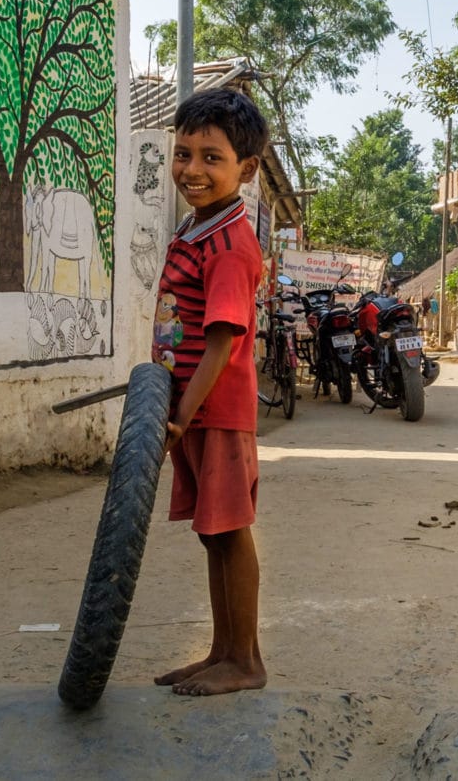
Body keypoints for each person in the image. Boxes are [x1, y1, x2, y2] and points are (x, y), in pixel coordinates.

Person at [151, 88, 269, 697]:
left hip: (214, 412)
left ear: (245, 171)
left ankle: (246, 662)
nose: (192, 170)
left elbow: (221, 344)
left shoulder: (228, 245)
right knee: (212, 533)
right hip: (191, 413)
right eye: (183, 153)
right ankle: (223, 652)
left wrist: (183, 414)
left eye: (211, 158)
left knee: (230, 531)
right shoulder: (199, 229)